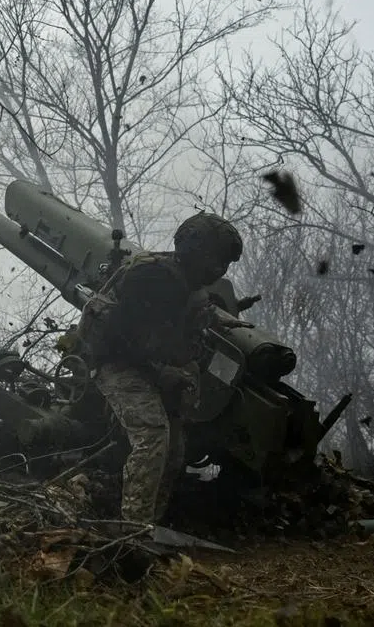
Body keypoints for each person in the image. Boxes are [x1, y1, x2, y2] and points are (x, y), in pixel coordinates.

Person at [77, 212, 245, 527]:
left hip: (152, 368)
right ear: (195, 251)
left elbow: (179, 321)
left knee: (175, 449)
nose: (220, 269)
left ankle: (151, 525)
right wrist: (161, 372)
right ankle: (134, 530)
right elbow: (121, 336)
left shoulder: (189, 285)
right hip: (117, 363)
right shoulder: (153, 278)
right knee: (153, 434)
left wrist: (213, 320)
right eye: (216, 259)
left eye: (225, 263)